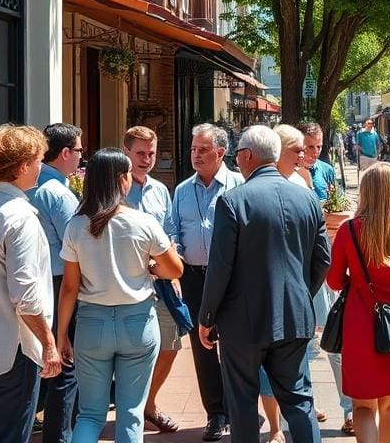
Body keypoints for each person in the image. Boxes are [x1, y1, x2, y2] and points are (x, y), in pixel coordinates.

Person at [198, 125, 331, 443]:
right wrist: (300, 294)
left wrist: (207, 317)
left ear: (245, 156)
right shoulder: (307, 199)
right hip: (294, 316)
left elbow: (220, 268)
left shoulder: (233, 201)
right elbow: (322, 260)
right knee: (299, 402)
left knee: (242, 401)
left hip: (242, 323)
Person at [57, 148, 184, 443]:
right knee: (130, 413)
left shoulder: (76, 225)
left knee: (90, 414)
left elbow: (69, 287)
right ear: (120, 179)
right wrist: (151, 265)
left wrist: (62, 334)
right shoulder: (142, 222)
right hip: (137, 322)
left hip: (91, 324)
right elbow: (174, 269)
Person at [0, 125, 62, 443]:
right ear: (22, 166)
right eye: (37, 161)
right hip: (15, 348)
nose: (40, 167)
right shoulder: (19, 217)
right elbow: (26, 295)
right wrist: (48, 344)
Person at [325, 162, 390, 443]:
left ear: (366, 192)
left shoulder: (350, 231)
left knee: (363, 406)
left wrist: (356, 284)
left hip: (360, 320)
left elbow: (333, 281)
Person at [169, 124, 243, 441]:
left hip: (231, 276)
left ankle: (238, 408)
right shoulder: (183, 190)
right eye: (193, 149)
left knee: (234, 344)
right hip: (194, 276)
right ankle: (215, 413)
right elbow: (173, 230)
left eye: (202, 149)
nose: (195, 155)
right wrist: (174, 252)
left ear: (220, 152)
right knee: (202, 347)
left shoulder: (239, 185)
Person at [122, 126, 180, 434]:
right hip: (127, 284)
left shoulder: (160, 190)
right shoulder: (115, 190)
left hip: (161, 283)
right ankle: (133, 407)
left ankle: (149, 403)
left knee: (170, 346)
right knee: (133, 349)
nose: (146, 159)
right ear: (126, 152)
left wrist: (171, 265)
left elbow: (170, 233)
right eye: (140, 153)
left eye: (152, 153)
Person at [299, 120, 355, 434]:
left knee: (335, 341)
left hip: (326, 261)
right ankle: (307, 403)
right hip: (300, 267)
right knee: (304, 342)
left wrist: (336, 218)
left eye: (318, 146)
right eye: (308, 146)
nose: (313, 152)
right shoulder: (290, 175)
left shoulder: (326, 171)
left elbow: (339, 205)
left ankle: (348, 409)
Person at [28, 123, 83, 443]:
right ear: (64, 154)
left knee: (43, 361)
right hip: (61, 284)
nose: (80, 157)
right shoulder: (57, 193)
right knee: (66, 363)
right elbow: (76, 245)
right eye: (78, 151)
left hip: (35, 285)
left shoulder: (29, 187)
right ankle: (60, 436)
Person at [301, 122, 337, 202]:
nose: (316, 151)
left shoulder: (327, 170)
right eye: (310, 147)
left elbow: (337, 201)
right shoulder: (290, 170)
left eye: (319, 146)